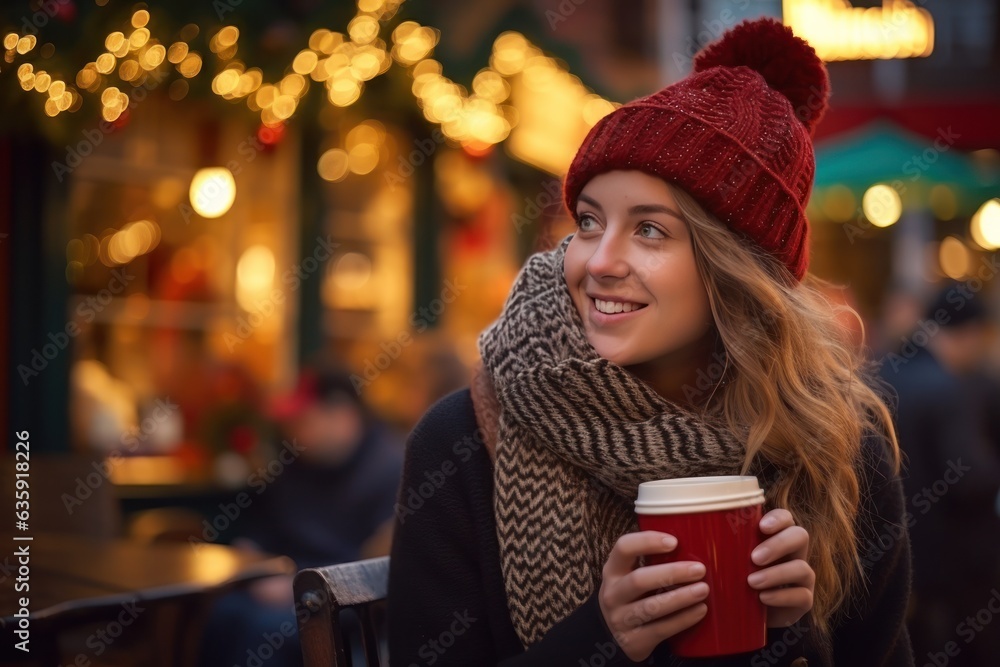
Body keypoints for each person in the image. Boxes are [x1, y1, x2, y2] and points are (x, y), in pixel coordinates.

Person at [388, 17, 913, 667]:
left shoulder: (835, 444)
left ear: (738, 274)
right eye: (588, 221)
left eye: (651, 231)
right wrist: (603, 639)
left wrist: (792, 633)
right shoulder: (464, 441)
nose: (598, 261)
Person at [198, 363, 404, 667]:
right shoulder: (295, 464)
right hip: (272, 584)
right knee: (217, 615)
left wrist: (298, 583)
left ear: (343, 416)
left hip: (341, 604)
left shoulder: (389, 469)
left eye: (305, 419)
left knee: (261, 631)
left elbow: (376, 565)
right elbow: (264, 527)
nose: (294, 430)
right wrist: (253, 555)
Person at [878, 283, 1000, 667]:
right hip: (947, 567)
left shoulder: (885, 372)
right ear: (967, 334)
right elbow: (969, 480)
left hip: (889, 557)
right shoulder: (946, 388)